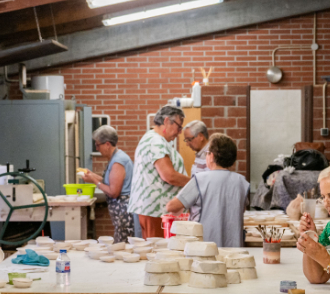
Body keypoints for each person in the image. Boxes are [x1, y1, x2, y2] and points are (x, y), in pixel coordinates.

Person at [165, 134, 248, 247]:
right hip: (234, 250)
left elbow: (171, 206)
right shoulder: (241, 182)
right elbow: (240, 209)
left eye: (207, 153)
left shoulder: (200, 180)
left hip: (204, 249)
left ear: (212, 156)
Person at [130, 105, 190, 238]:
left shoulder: (152, 138)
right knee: (157, 252)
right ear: (167, 121)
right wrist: (195, 183)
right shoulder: (156, 141)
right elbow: (169, 175)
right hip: (156, 210)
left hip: (150, 209)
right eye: (179, 127)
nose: (180, 132)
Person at [82, 125, 135, 242]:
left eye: (97, 145)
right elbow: (110, 182)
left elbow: (113, 192)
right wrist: (93, 176)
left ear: (107, 144)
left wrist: (95, 181)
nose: (96, 148)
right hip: (121, 213)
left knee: (122, 247)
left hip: (124, 211)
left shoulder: (118, 161)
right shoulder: (116, 158)